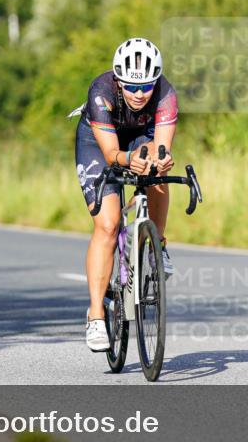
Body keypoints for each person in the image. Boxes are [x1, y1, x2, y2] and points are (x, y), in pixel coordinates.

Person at [74, 38, 177, 352]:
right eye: (131, 86)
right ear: (118, 80)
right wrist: (126, 159)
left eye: (146, 86)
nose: (139, 94)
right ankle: (95, 315)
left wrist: (160, 159)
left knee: (157, 169)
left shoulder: (166, 95)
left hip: (140, 138)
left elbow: (161, 144)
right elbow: (110, 154)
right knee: (108, 225)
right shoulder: (100, 92)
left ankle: (156, 244)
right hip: (100, 142)